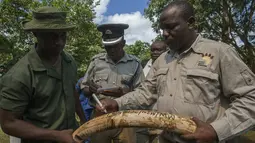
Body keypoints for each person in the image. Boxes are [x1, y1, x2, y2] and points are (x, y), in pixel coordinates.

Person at [96, 1, 255, 143]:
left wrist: (216, 130)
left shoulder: (220, 53)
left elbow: (250, 98)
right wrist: (117, 103)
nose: (164, 33)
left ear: (191, 23)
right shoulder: (162, 60)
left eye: (171, 27)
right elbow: (145, 93)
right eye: (162, 29)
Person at [0, 6, 85, 143]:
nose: (59, 42)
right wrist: (56, 136)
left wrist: (83, 119)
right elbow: (8, 123)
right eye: (52, 36)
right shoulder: (19, 76)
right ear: (35, 33)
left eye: (63, 35)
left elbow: (72, 90)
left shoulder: (69, 62)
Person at [80, 23, 145, 143]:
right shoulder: (96, 62)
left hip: (125, 118)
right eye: (108, 47)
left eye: (115, 46)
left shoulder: (135, 64)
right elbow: (84, 88)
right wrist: (91, 90)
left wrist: (122, 93)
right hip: (99, 117)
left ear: (123, 43)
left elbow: (142, 93)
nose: (112, 50)